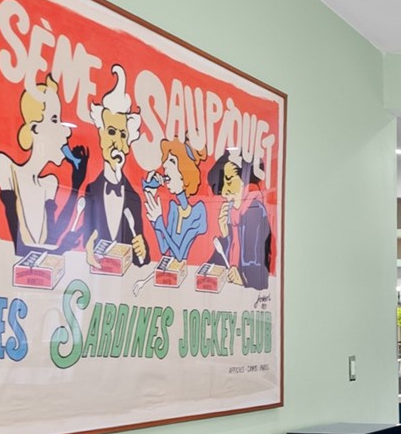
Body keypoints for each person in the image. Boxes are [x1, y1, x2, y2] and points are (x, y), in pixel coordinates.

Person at [69, 66, 147, 266]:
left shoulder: (134, 198)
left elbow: (141, 259)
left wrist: (142, 250)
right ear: (101, 135)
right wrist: (85, 248)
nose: (117, 143)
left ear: (128, 143)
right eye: (111, 132)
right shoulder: (90, 190)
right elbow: (78, 241)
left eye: (123, 135)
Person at [0, 75, 78, 254]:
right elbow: (21, 247)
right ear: (35, 129)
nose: (66, 131)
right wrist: (61, 249)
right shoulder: (6, 168)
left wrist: (77, 182)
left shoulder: (50, 183)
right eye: (54, 120)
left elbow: (49, 243)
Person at [207, 147, 273, 290]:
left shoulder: (254, 211)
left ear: (244, 180)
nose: (224, 191)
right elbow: (218, 262)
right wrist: (225, 234)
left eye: (229, 181)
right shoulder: (234, 215)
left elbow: (259, 269)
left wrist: (243, 278)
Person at [148, 138, 209, 270]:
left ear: (184, 174)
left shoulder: (198, 213)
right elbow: (164, 247)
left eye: (172, 161)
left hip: (185, 273)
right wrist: (155, 221)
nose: (165, 166)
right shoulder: (174, 208)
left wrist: (160, 225)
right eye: (166, 161)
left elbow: (180, 255)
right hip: (169, 271)